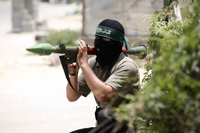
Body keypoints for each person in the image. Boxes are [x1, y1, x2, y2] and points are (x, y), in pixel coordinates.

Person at [67, 19, 140, 133]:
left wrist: (84, 65)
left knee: (105, 114)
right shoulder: (93, 63)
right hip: (105, 127)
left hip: (129, 126)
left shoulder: (127, 66)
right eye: (97, 38)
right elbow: (72, 97)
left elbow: (103, 95)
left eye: (104, 40)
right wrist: (74, 74)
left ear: (116, 42)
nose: (99, 43)